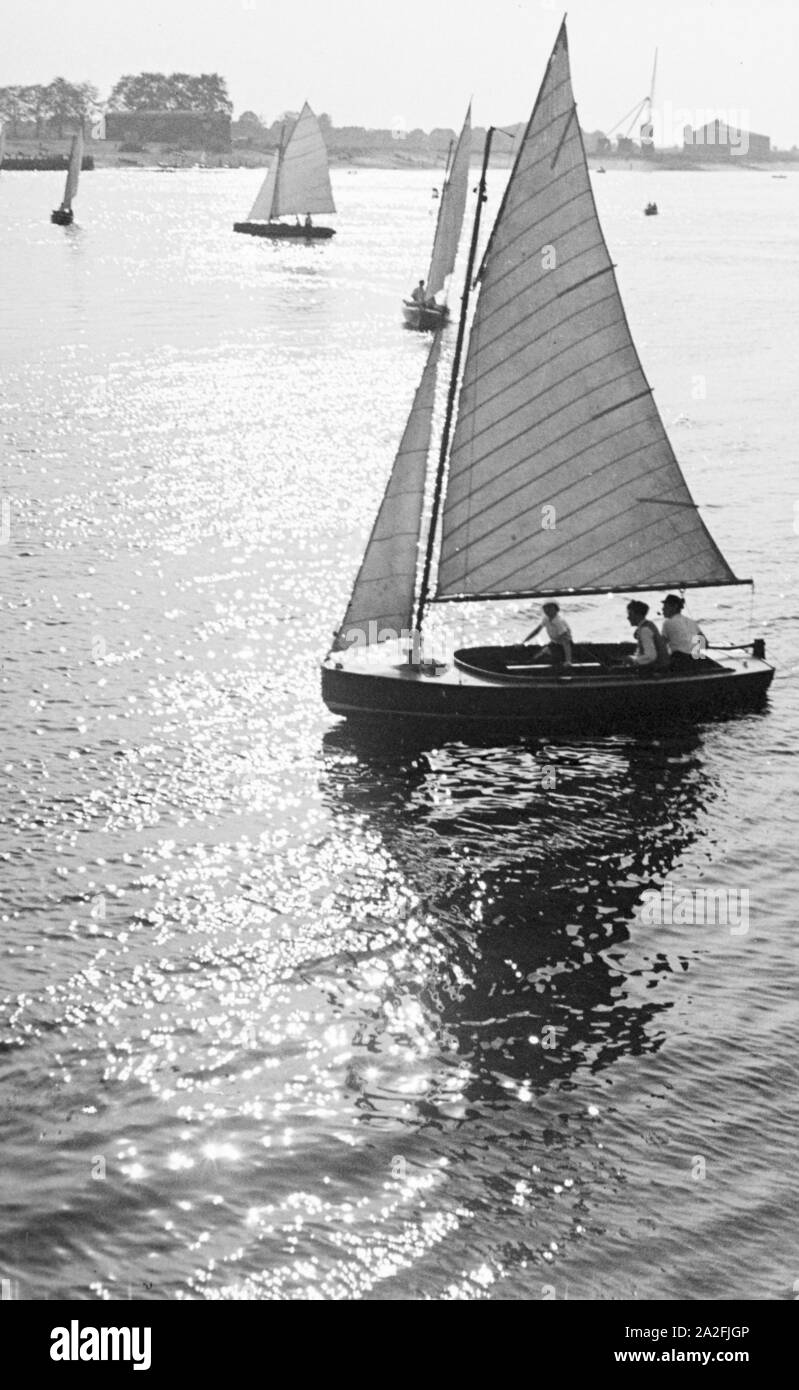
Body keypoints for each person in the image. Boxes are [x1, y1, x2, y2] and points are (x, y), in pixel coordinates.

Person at [660, 594, 706, 671]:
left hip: (680, 660)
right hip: (697, 660)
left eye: (665, 607)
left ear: (674, 607)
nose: (662, 609)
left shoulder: (667, 623)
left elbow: (661, 645)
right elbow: (704, 642)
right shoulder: (691, 621)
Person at [523, 602, 573, 668]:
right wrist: (524, 642)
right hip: (554, 643)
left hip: (562, 646)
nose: (547, 610)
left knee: (553, 661)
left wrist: (568, 661)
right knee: (537, 657)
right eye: (545, 608)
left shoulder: (559, 621)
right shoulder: (546, 619)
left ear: (556, 609)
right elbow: (536, 631)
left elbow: (566, 641)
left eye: (550, 608)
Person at [626, 600, 669, 672]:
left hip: (658, 670)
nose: (628, 617)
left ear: (638, 615)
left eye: (630, 614)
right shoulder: (649, 624)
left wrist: (633, 660)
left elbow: (650, 656)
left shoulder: (645, 630)